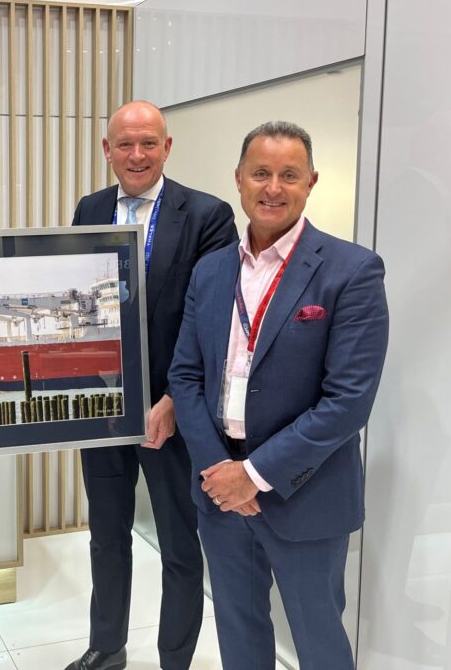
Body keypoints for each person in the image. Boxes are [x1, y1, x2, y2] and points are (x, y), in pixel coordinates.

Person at [168, 121, 389, 670]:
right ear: (238, 180)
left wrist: (255, 473)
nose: (273, 187)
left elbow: (348, 401)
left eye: (289, 175)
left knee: (318, 641)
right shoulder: (211, 270)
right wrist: (221, 468)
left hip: (305, 493)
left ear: (310, 182)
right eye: (261, 173)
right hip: (220, 493)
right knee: (239, 634)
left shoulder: (352, 270)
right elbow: (186, 377)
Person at [67, 100, 238, 670]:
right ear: (107, 150)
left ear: (167, 147)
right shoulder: (89, 209)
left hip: (175, 410)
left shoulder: (208, 216)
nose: (136, 155)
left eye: (148, 143)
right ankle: (106, 647)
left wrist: (171, 402)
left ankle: (175, 660)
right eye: (124, 144)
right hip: (102, 404)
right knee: (106, 536)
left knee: (179, 545)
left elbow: (209, 320)